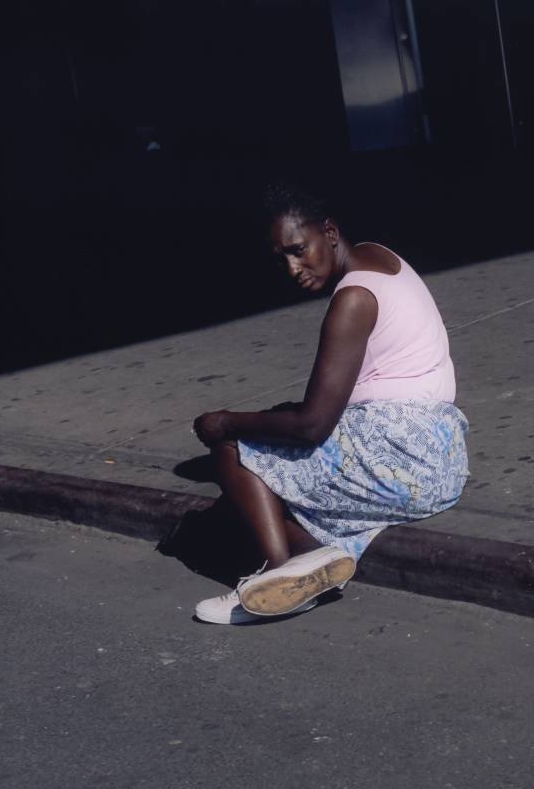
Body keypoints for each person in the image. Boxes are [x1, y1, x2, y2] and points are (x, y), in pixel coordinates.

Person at [189, 184, 469, 624]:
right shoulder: (380, 257)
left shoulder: (352, 300)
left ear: (330, 232)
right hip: (443, 458)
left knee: (233, 447)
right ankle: (315, 562)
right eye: (282, 258)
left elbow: (311, 426)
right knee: (277, 436)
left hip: (402, 457)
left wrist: (226, 421)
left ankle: (277, 576)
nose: (293, 268)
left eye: (299, 250)